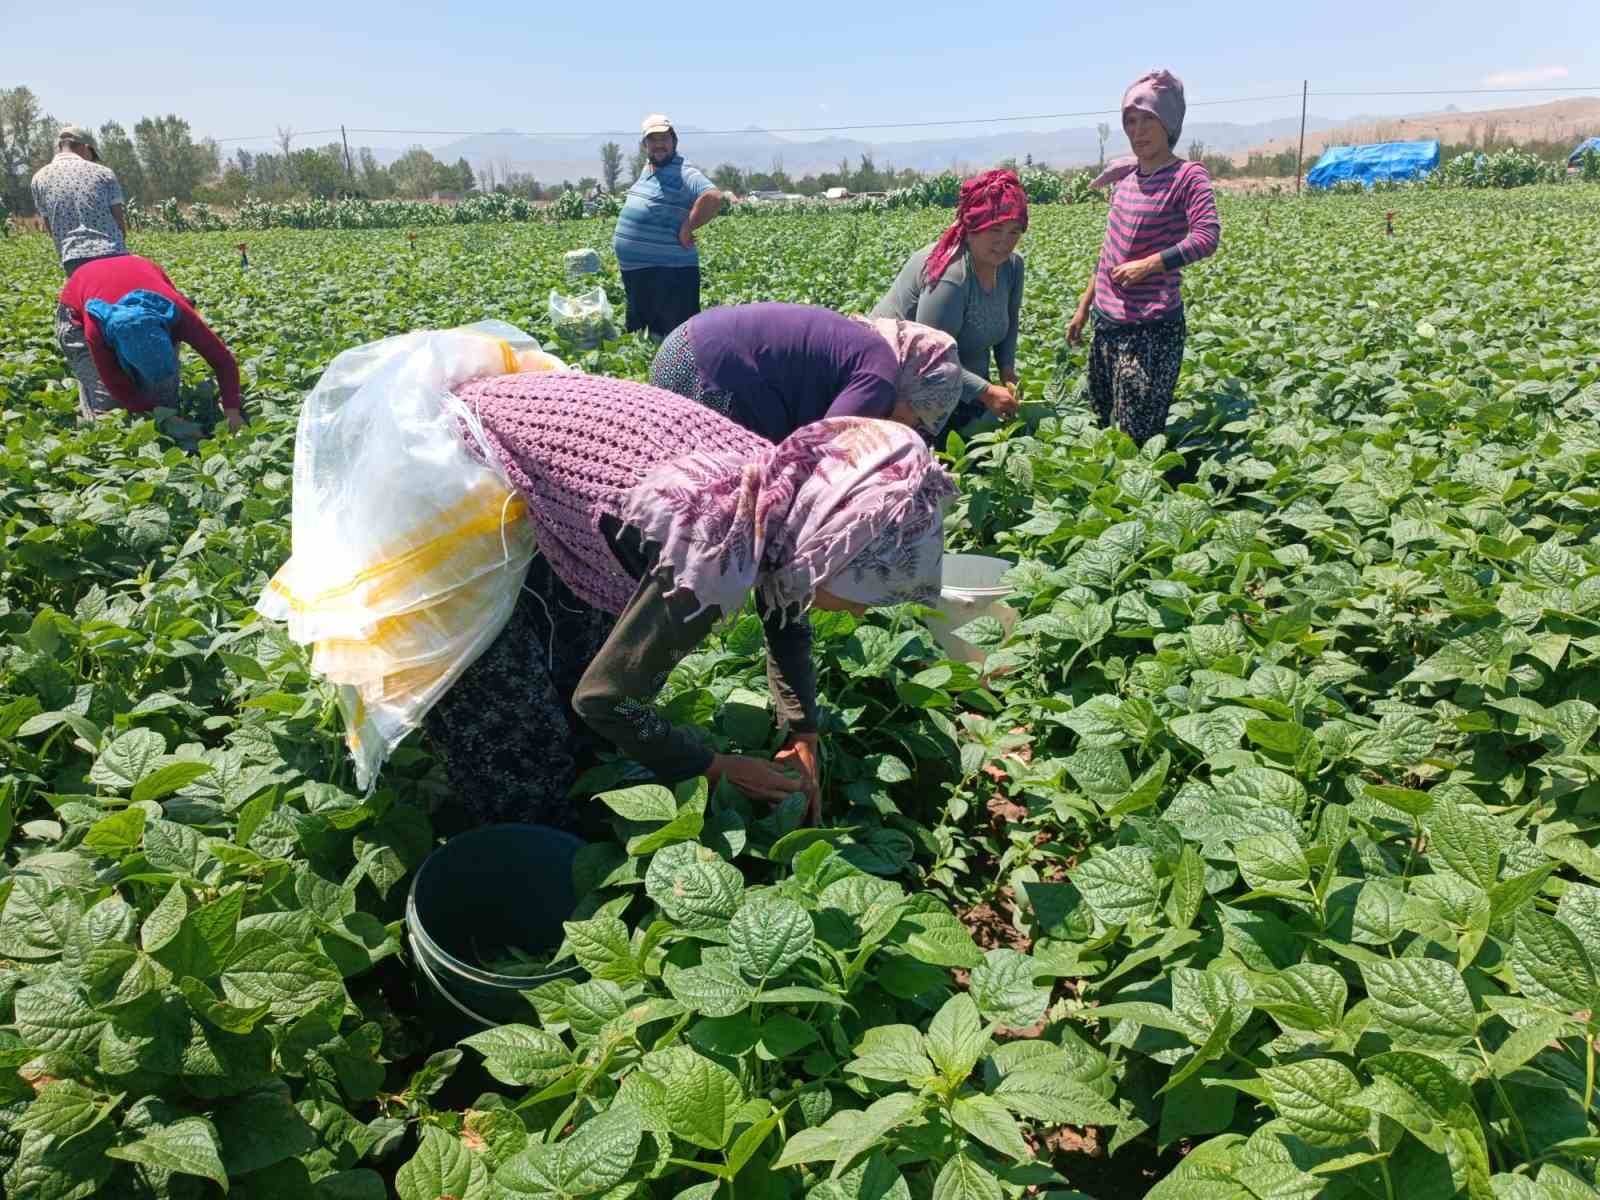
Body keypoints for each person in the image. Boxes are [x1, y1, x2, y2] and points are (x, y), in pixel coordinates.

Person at [421, 372, 954, 830]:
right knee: (510, 725)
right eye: (865, 592)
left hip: (528, 453)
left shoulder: (788, 490)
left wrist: (803, 728)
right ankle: (513, 836)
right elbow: (604, 699)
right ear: (831, 548)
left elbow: (783, 606)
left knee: (575, 656)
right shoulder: (712, 553)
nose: (861, 613)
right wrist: (713, 765)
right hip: (451, 473)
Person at [1066, 70, 1221, 447]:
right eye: (1130, 122)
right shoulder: (1125, 178)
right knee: (1100, 423)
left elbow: (1207, 236)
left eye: (1148, 119)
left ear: (1168, 122)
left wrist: (1150, 264)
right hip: (1107, 323)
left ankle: (1137, 502)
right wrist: (1084, 308)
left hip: (1151, 329)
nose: (1138, 130)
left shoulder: (1188, 177)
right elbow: (1109, 251)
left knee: (1136, 435)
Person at [648, 302, 964, 442]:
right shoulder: (880, 375)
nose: (912, 428)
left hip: (686, 343)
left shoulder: (869, 344)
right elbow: (820, 450)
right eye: (920, 416)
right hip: (706, 370)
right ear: (916, 386)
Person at [871, 169, 1028, 434]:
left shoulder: (1012, 266)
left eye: (1014, 231)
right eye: (995, 229)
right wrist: (986, 392)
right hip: (903, 377)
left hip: (961, 373)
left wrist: (1007, 369)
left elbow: (1009, 325)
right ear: (971, 227)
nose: (1004, 242)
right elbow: (928, 359)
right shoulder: (950, 277)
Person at [57, 253, 244, 429]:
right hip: (77, 305)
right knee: (108, 407)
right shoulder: (96, 329)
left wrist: (232, 410)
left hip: (135, 276)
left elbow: (223, 360)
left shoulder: (180, 314)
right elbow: (114, 380)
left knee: (164, 397)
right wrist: (159, 416)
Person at [612, 114, 722, 340]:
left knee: (674, 342)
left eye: (664, 138)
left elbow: (712, 197)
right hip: (641, 273)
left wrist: (687, 227)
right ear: (645, 145)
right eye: (653, 139)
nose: (659, 144)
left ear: (674, 141)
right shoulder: (649, 168)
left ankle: (674, 376)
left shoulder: (683, 169)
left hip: (670, 273)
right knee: (643, 339)